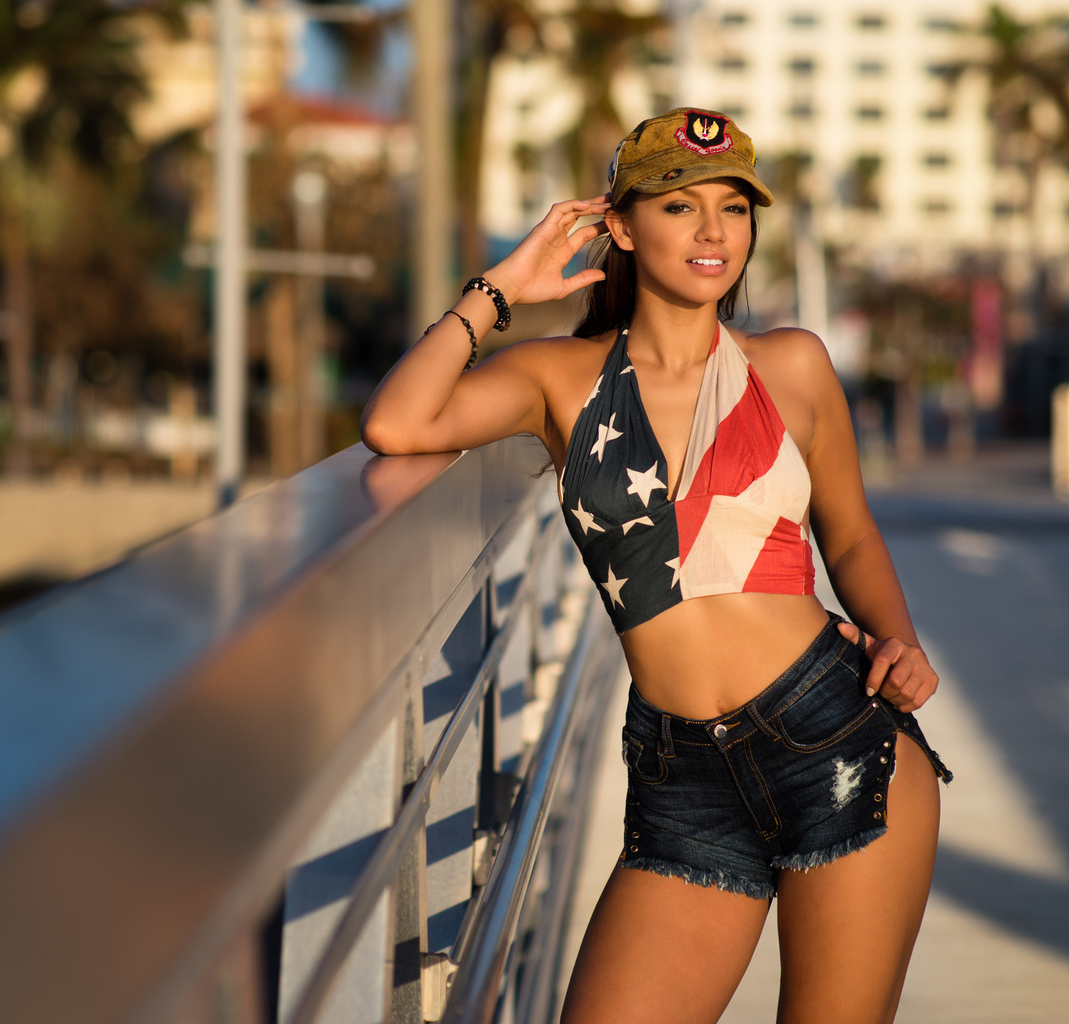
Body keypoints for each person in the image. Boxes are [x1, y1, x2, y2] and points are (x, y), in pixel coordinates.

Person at [361, 107, 951, 1024]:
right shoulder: (559, 378)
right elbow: (398, 423)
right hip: (682, 779)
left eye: (735, 207)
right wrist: (504, 286)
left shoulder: (791, 366)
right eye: (680, 206)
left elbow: (852, 536)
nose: (715, 231)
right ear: (622, 227)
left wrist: (899, 639)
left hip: (837, 741)